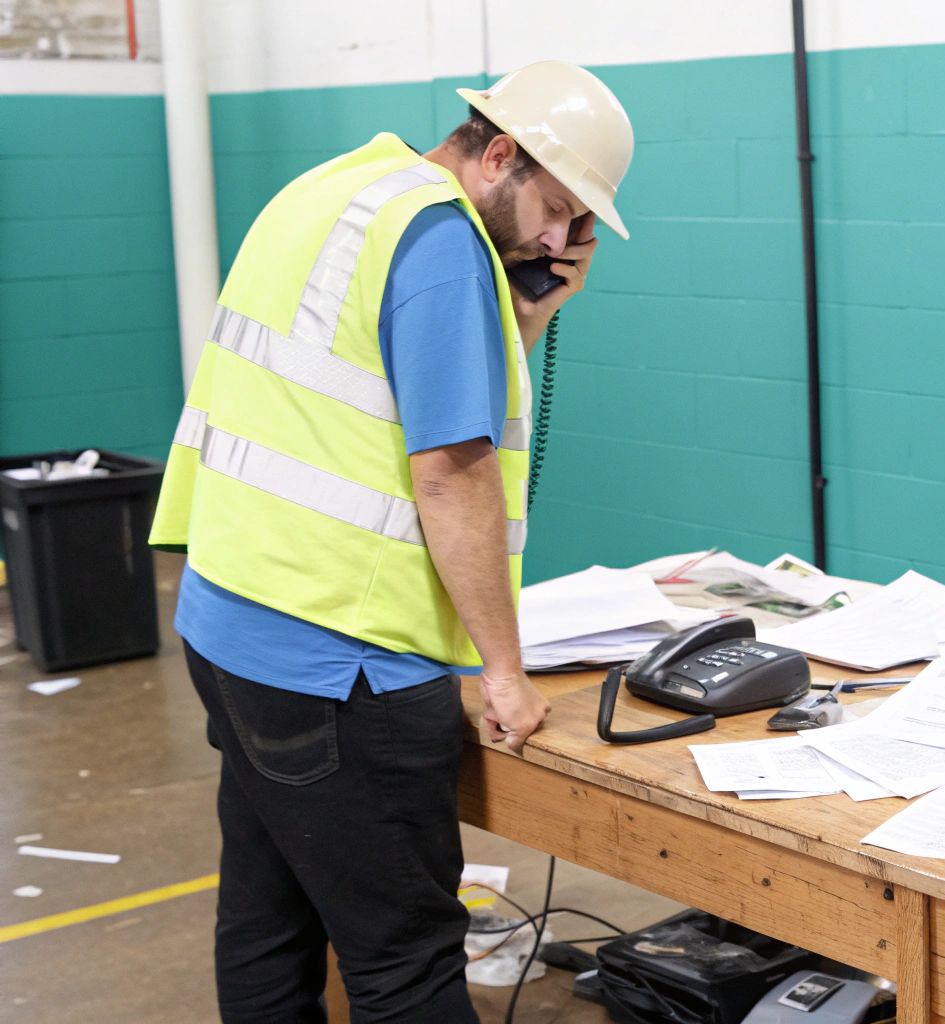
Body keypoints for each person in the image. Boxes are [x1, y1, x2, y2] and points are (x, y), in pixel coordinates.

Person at [147, 61, 634, 1022]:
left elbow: (385, 387)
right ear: (499, 154)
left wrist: (525, 315)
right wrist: (503, 669)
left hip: (231, 627)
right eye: (558, 207)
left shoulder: (339, 189)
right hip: (340, 671)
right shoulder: (444, 243)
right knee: (404, 962)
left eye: (579, 226)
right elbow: (451, 469)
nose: (558, 238)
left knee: (266, 923)